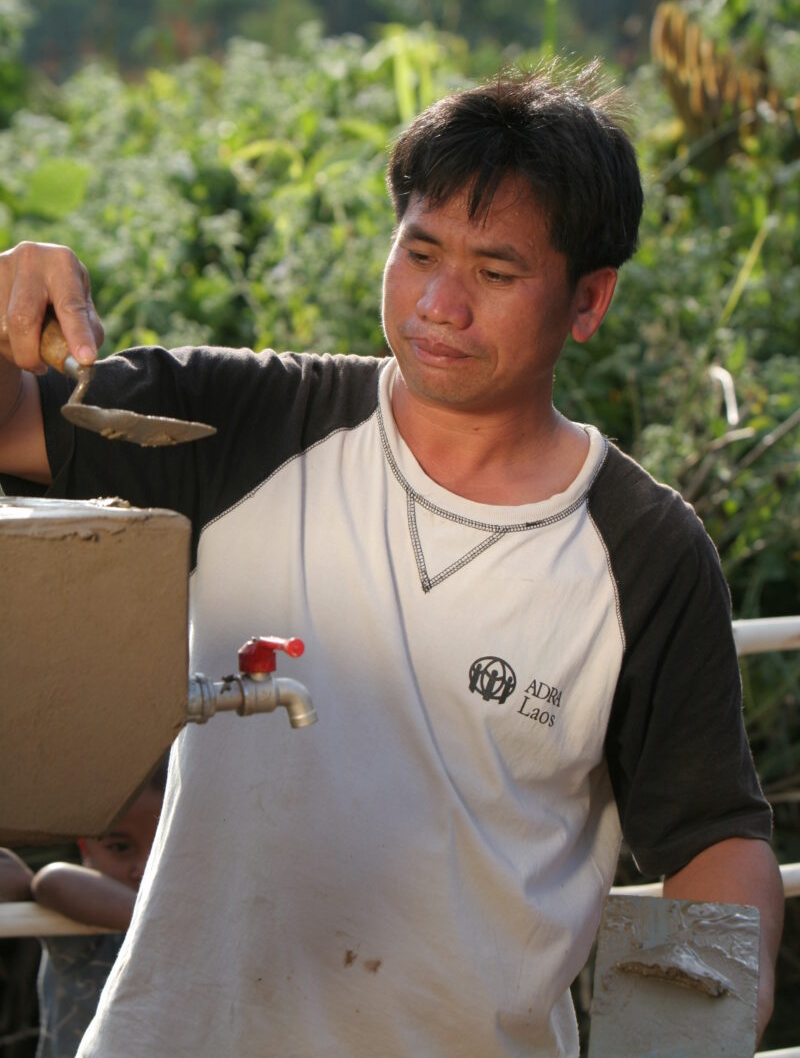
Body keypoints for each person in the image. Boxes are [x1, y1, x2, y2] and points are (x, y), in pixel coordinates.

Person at [0, 65, 783, 1057]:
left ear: (588, 301)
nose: (440, 305)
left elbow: (712, 841)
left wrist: (678, 1038)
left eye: (495, 273)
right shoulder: (247, 422)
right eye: (419, 252)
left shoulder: (641, 549)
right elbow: (14, 424)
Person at [0, 761, 166, 1058]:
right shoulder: (86, 925)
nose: (143, 869)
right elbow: (53, 881)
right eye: (120, 848)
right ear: (85, 849)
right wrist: (164, 922)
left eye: (163, 848)